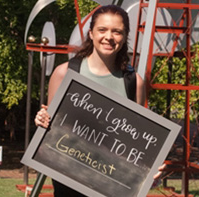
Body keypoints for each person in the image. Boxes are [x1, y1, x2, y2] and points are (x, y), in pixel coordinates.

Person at [34, 5, 145, 196]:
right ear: (91, 33)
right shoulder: (64, 73)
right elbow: (49, 130)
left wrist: (148, 170)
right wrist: (41, 120)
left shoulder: (134, 82)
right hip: (68, 180)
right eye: (102, 30)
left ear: (125, 36)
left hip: (112, 184)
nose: (109, 37)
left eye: (117, 31)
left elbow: (138, 141)